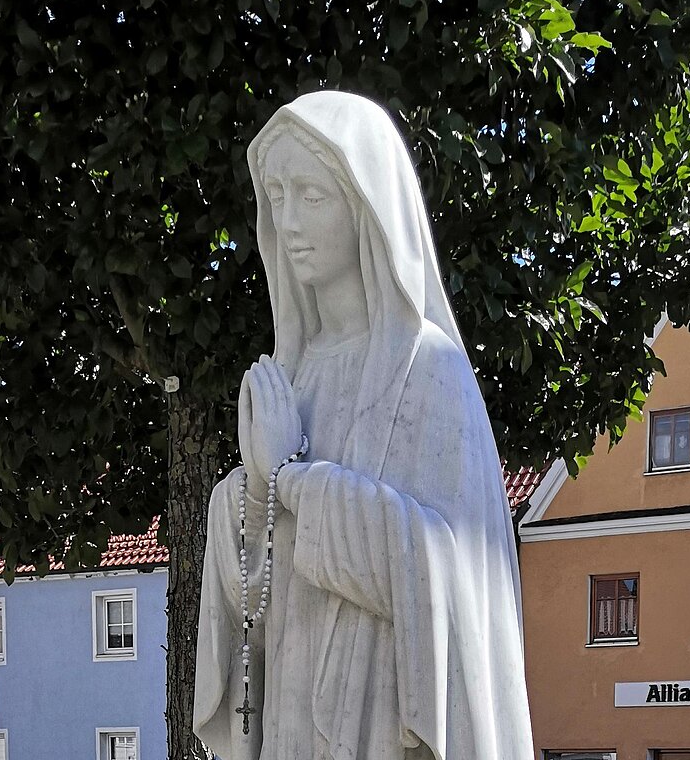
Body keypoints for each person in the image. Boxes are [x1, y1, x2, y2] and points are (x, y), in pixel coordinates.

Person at [193, 91, 533, 760]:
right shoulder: (295, 375)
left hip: (379, 725)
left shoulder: (429, 370)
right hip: (292, 726)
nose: (288, 222)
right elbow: (258, 613)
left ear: (366, 206)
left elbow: (449, 576)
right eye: (279, 196)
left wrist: (291, 479)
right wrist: (245, 499)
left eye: (312, 195)